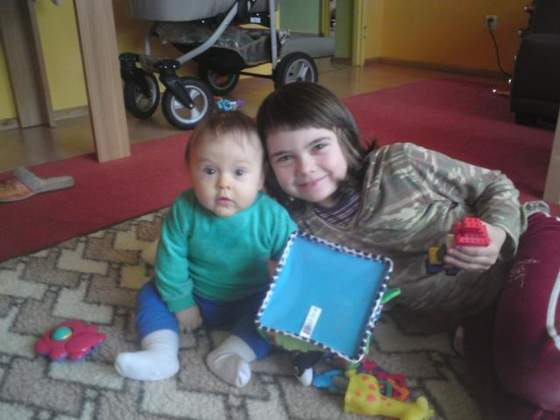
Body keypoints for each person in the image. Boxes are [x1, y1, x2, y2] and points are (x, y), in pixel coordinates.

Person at [255, 82, 560, 416]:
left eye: (318, 146)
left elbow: (495, 185)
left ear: (344, 137)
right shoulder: (299, 230)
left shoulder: (399, 165)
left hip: (524, 251)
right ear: (269, 168)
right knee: (507, 404)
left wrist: (498, 233)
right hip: (473, 310)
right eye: (285, 158)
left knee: (538, 374)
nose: (305, 168)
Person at [115, 111, 296, 387]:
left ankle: (231, 354)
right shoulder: (184, 209)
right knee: (150, 294)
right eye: (210, 171)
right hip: (196, 292)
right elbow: (170, 258)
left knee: (274, 316)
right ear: (190, 171)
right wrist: (181, 302)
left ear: (261, 178)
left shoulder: (273, 217)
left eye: (239, 172)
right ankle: (160, 352)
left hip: (250, 298)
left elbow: (295, 259)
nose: (223, 183)